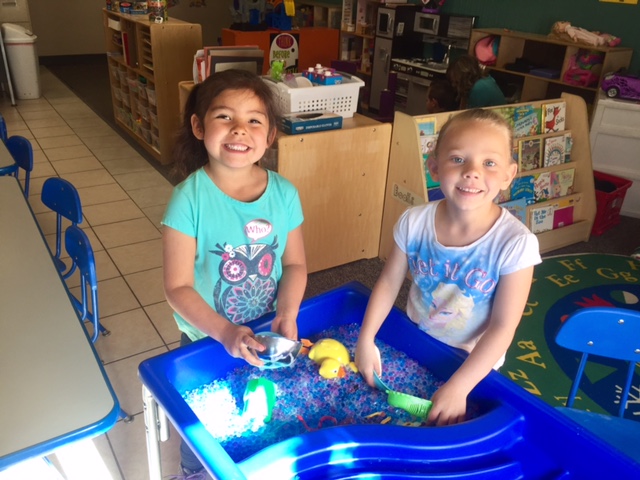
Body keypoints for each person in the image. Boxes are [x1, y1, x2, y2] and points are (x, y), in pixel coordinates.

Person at [162, 69, 307, 477]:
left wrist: (288, 310)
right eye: (225, 116)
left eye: (254, 120)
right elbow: (176, 287)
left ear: (271, 134)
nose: (240, 129)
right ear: (198, 126)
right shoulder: (187, 199)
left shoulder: (284, 193)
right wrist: (224, 331)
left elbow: (294, 264)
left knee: (260, 418)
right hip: (205, 335)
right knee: (203, 432)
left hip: (266, 331)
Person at [355, 108, 541, 427]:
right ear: (434, 167)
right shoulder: (414, 222)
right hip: (417, 343)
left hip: (473, 366)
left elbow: (502, 327)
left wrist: (459, 387)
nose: (471, 171)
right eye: (457, 159)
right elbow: (387, 283)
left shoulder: (516, 244)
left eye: (489, 163)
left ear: (510, 174)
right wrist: (365, 338)